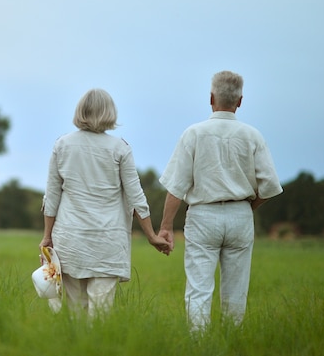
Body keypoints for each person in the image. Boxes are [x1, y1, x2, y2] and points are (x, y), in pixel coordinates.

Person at [158, 71, 283, 331]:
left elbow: (176, 186)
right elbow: (269, 186)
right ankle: (231, 341)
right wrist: (249, 206)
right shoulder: (253, 136)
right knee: (236, 293)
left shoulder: (193, 134)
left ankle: (199, 344)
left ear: (211, 98)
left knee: (199, 289)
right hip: (241, 215)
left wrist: (166, 226)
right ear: (240, 101)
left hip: (203, 215)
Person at [39, 88, 170, 317]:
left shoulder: (62, 145)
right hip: (107, 242)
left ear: (80, 111)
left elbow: (52, 196)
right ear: (110, 113)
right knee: (100, 315)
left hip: (69, 241)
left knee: (73, 313)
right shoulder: (120, 148)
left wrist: (47, 236)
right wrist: (151, 235)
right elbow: (136, 197)